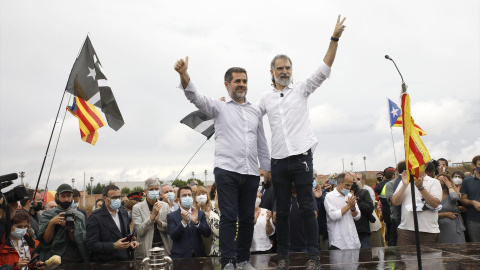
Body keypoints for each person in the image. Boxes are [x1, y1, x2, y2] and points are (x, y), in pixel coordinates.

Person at [257, 15, 346, 270]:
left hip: (301, 158)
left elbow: (325, 67)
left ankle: (313, 256)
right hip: (278, 160)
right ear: (272, 72)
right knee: (281, 210)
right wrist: (226, 103)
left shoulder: (302, 89)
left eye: (288, 68)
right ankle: (282, 256)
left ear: (291, 71)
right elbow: (249, 116)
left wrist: (334, 38)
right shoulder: (265, 98)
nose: (284, 72)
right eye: (279, 68)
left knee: (308, 207)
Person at [174, 56, 271, 270]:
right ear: (227, 85)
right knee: (229, 217)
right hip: (226, 171)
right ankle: (228, 262)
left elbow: (262, 142)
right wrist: (183, 74)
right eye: (237, 81)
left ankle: (244, 260)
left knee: (247, 218)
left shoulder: (256, 110)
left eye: (244, 81)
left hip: (251, 172)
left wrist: (267, 169)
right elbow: (195, 96)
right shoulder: (218, 107)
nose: (241, 85)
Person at [391, 162, 442, 245]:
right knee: (405, 257)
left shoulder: (434, 182)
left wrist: (421, 187)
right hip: (406, 231)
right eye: (411, 164)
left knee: (430, 258)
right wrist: (404, 185)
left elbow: (435, 203)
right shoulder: (404, 181)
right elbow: (395, 202)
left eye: (417, 165)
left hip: (428, 231)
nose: (413, 167)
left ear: (425, 166)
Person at [87, 185, 139, 262]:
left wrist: (131, 243)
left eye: (119, 197)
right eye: (114, 198)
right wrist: (114, 246)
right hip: (105, 262)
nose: (117, 200)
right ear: (105, 198)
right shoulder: (95, 217)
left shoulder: (123, 212)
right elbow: (91, 244)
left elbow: (125, 236)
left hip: (124, 261)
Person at [37, 184, 89, 263]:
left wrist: (70, 227)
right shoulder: (47, 214)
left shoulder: (79, 216)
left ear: (72, 197)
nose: (66, 199)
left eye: (69, 196)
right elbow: (46, 240)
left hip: (73, 259)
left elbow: (78, 241)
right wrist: (51, 223)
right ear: (57, 197)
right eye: (63, 196)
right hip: (52, 258)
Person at [167, 186, 211, 258]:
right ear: (178, 199)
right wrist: (183, 223)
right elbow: (173, 236)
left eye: (189, 195)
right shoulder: (171, 216)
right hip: (180, 257)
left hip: (199, 256)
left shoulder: (200, 214)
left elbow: (207, 233)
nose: (187, 197)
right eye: (184, 195)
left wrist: (196, 223)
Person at [273, 182, 318, 253]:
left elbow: (315, 216)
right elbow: (275, 219)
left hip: (305, 244)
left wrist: (304, 209)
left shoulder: (307, 196)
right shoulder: (282, 196)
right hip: (287, 245)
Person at [132, 178, 171, 258]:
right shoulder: (137, 208)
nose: (154, 191)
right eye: (151, 189)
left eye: (156, 189)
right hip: (146, 250)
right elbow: (139, 231)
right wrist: (152, 217)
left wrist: (159, 222)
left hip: (163, 248)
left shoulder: (165, 205)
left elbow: (170, 229)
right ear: (145, 191)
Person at [324, 173, 361, 250]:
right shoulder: (330, 197)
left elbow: (357, 216)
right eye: (347, 185)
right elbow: (333, 216)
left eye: (351, 185)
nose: (349, 188)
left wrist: (353, 209)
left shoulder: (350, 196)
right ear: (339, 183)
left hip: (353, 241)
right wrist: (348, 206)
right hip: (338, 244)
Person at [437, 174, 466, 243]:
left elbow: (454, 198)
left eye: (444, 180)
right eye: (439, 180)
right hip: (438, 229)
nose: (441, 182)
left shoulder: (451, 193)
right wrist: (445, 214)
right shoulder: (435, 195)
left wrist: (449, 186)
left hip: (453, 228)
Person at [384, 161, 407, 246]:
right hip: (397, 218)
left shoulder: (414, 182)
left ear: (397, 170)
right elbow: (394, 201)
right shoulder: (391, 184)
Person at [350, 173, 374, 248]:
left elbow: (370, 208)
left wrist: (356, 202)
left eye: (354, 179)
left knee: (365, 254)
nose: (352, 182)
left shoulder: (364, 192)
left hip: (362, 230)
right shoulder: (342, 194)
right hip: (348, 232)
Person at [460, 155, 480, 242]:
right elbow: (463, 199)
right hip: (473, 219)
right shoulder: (467, 181)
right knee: (475, 247)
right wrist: (473, 202)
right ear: (474, 166)